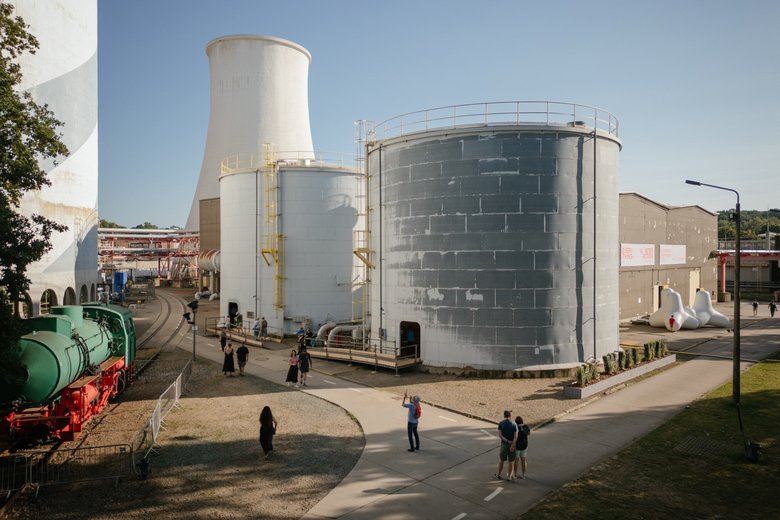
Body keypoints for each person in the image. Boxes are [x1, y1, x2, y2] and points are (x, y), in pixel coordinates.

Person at [496, 410, 517, 480]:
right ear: (510, 416)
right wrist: (512, 445)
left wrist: (507, 441)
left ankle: (498, 474)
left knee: (501, 460)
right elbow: (516, 436)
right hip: (512, 445)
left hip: (504, 444)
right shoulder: (514, 424)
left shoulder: (501, 423)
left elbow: (500, 435)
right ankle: (509, 477)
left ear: (504, 416)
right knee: (511, 461)